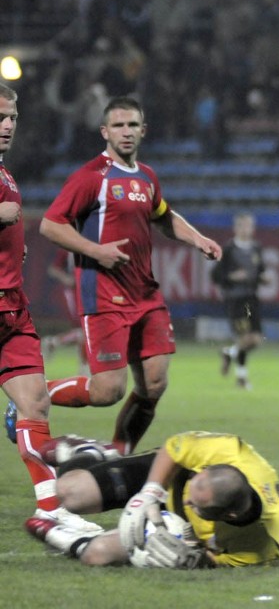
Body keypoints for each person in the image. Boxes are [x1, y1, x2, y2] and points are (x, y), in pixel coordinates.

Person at [33, 96, 222, 457]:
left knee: (154, 382)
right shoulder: (92, 177)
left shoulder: (147, 177)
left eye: (132, 125)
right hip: (104, 295)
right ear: (104, 132)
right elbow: (50, 224)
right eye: (118, 125)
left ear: (143, 131)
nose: (126, 132)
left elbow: (164, 216)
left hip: (145, 295)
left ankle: (119, 456)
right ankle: (33, 396)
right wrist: (96, 251)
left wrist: (197, 238)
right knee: (108, 391)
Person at [0, 82, 101, 533]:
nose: (7, 127)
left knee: (35, 404)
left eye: (12, 119)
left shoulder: (5, 174)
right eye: (0, 118)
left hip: (11, 311)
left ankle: (49, 508)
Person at [25, 430, 279, 568]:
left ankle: (69, 539)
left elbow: (214, 561)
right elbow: (174, 449)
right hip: (168, 477)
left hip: (182, 530)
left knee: (98, 555)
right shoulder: (228, 450)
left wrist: (191, 559)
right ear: (207, 469)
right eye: (193, 494)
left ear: (229, 516)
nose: (188, 503)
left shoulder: (260, 545)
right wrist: (150, 492)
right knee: (69, 493)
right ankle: (87, 452)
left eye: (196, 505)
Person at [211, 212, 269, 390]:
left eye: (249, 226)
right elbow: (215, 275)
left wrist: (263, 278)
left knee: (256, 339)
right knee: (245, 338)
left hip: (252, 297)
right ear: (235, 228)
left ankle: (229, 353)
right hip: (235, 299)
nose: (246, 229)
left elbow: (259, 270)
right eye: (242, 226)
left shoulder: (256, 248)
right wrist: (232, 277)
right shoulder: (228, 249)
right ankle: (242, 378)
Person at [41, 249, 88, 374]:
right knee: (82, 329)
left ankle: (53, 342)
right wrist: (66, 279)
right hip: (72, 292)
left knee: (86, 329)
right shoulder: (67, 247)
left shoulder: (91, 242)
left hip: (88, 291)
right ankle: (84, 367)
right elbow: (53, 269)